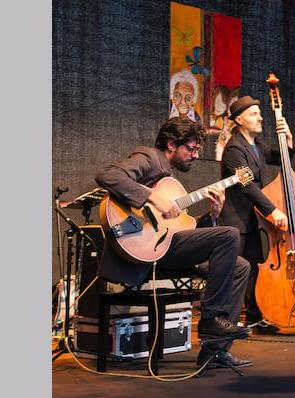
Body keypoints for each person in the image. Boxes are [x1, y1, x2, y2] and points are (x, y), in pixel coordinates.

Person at [95, 117, 253, 370]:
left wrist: (213, 215)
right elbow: (108, 175)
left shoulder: (168, 179)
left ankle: (215, 350)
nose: (195, 155)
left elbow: (183, 228)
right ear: (171, 144)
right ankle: (211, 319)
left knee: (240, 266)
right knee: (230, 235)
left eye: (197, 150)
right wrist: (152, 199)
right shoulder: (148, 158)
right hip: (143, 249)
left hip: (165, 246)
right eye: (191, 149)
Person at [218, 95, 294, 334]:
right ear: (239, 120)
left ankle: (254, 319)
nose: (261, 117)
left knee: (253, 270)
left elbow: (282, 158)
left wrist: (288, 139)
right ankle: (225, 321)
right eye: (254, 114)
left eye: (260, 113)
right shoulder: (233, 148)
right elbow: (247, 184)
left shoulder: (257, 145)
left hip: (251, 219)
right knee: (233, 272)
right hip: (235, 220)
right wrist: (272, 209)